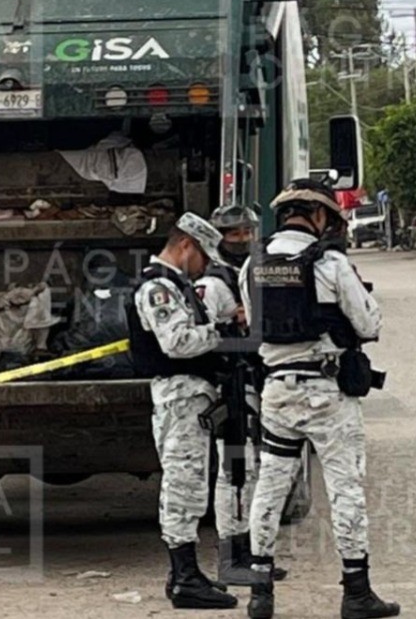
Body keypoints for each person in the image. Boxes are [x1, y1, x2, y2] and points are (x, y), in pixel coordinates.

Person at [241, 180, 399, 619]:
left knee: (270, 486)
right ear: (318, 214)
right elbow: (367, 324)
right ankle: (356, 593)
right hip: (327, 395)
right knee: (345, 487)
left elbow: (253, 327)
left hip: (276, 392)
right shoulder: (329, 261)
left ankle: (260, 593)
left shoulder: (251, 264)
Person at [126, 212, 236, 610]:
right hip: (179, 395)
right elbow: (177, 342)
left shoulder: (176, 285)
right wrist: (221, 333)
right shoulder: (158, 287)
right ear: (186, 245)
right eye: (203, 257)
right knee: (183, 486)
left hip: (190, 394)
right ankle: (185, 577)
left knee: (189, 485)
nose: (204, 266)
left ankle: (184, 575)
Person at [196, 206, 288, 586]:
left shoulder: (248, 272)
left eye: (246, 232)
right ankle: (230, 557)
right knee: (233, 473)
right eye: (233, 234)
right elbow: (199, 334)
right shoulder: (214, 283)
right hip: (228, 391)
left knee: (249, 472)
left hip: (248, 383)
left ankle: (247, 551)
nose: (242, 240)